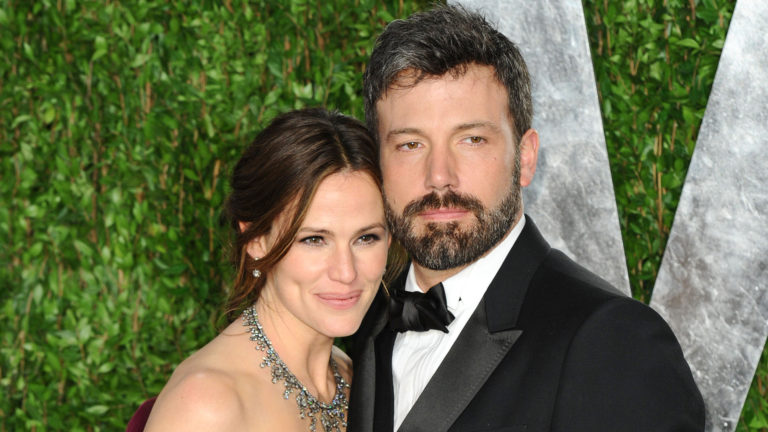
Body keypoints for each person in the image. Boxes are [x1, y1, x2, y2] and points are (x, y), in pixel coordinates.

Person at [347, 5, 705, 432]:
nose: (439, 176)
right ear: (376, 163)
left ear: (526, 158)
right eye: (410, 144)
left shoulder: (614, 342)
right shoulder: (359, 320)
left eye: (472, 139)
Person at [132, 108, 391, 432]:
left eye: (366, 238)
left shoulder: (352, 375)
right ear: (256, 240)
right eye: (314, 239)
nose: (346, 272)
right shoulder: (205, 405)